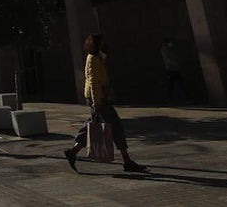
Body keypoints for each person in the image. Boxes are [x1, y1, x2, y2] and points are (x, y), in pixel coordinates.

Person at [63, 34, 147, 173]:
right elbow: (93, 81)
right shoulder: (93, 59)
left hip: (98, 97)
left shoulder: (97, 58)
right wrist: (97, 102)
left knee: (93, 123)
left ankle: (73, 151)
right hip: (98, 98)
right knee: (115, 126)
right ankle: (127, 161)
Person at [161, 39, 188, 103]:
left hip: (175, 69)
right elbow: (167, 59)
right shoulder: (164, 49)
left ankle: (184, 98)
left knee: (178, 84)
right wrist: (176, 63)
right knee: (172, 85)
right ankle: (171, 99)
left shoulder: (170, 49)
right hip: (170, 69)